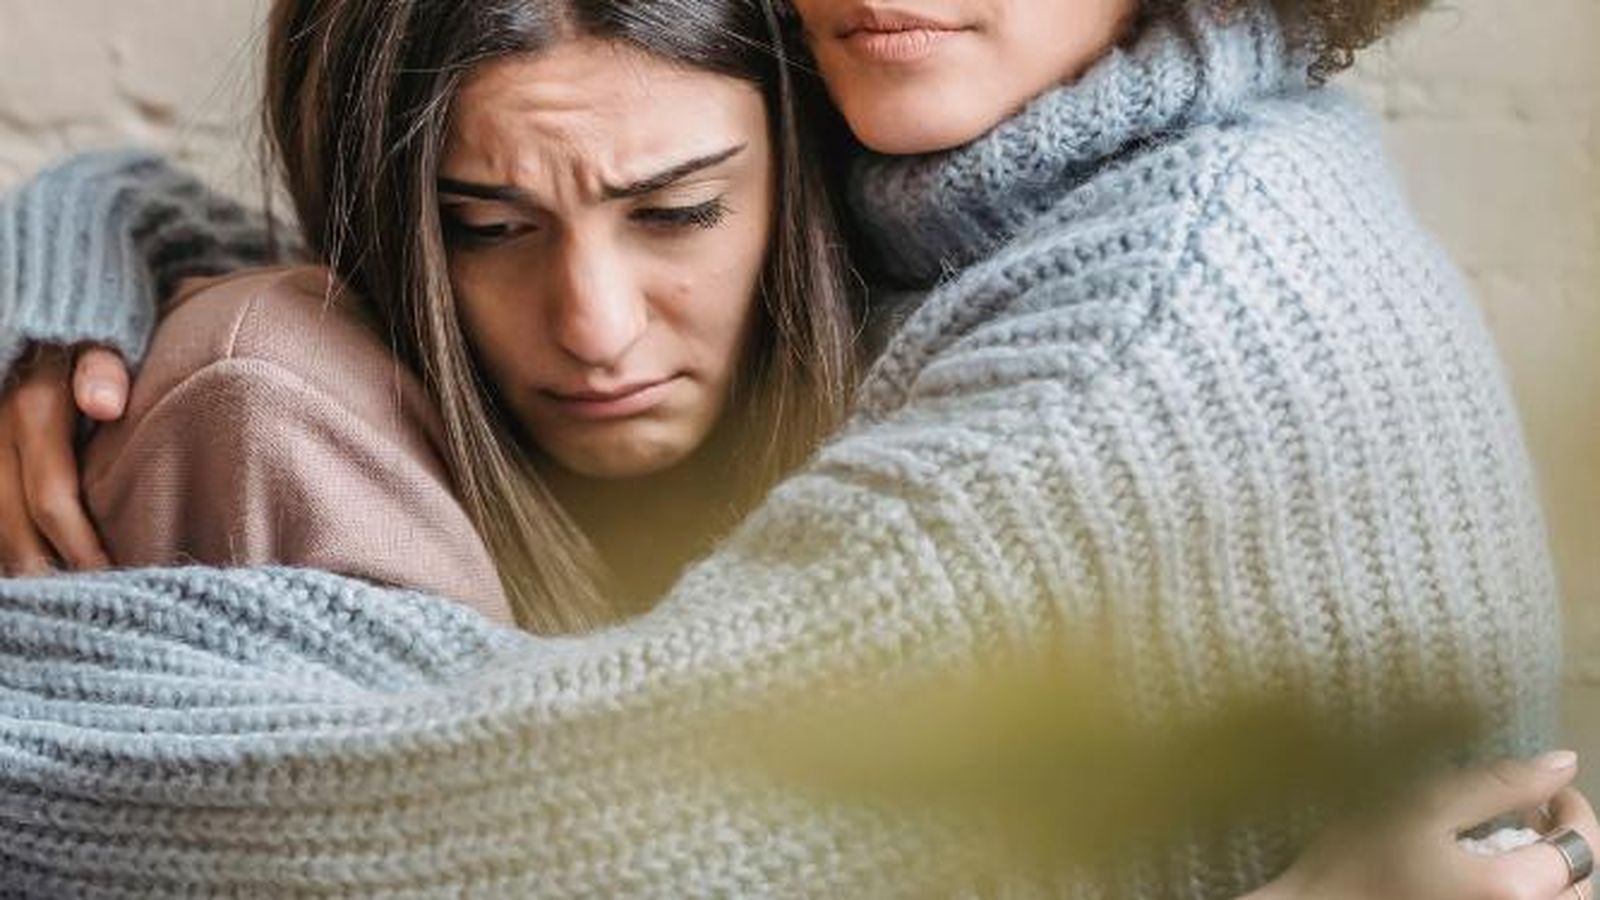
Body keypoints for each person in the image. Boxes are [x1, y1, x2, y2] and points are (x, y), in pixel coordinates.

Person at [0, 0, 1580, 896]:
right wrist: (88, 242)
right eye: (486, 229)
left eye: (681, 213)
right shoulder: (973, 157)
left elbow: (532, 849)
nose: (600, 326)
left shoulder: (1126, 341)